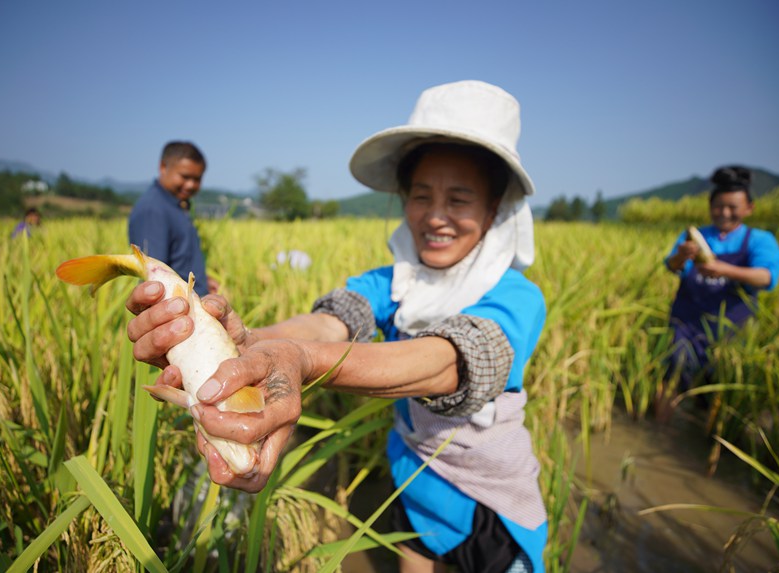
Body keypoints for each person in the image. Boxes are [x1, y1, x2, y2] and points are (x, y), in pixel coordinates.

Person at [125, 81, 547, 573]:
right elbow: (330, 323)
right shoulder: (392, 283)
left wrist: (300, 360)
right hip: (415, 483)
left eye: (458, 200)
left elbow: (446, 362)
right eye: (420, 196)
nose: (435, 217)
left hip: (492, 502)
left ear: (495, 209)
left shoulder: (517, 298)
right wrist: (241, 342)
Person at [659, 165, 779, 417]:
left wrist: (724, 270)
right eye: (719, 206)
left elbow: (766, 276)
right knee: (673, 373)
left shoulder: (759, 240)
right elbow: (671, 266)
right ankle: (659, 427)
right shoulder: (694, 237)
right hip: (687, 322)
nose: (725, 213)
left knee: (717, 392)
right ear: (710, 206)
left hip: (730, 330)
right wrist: (682, 256)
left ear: (749, 208)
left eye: (733, 207)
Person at [128, 141, 218, 296]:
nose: (190, 185)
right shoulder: (153, 210)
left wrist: (203, 281)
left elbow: (180, 259)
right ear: (163, 167)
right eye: (185, 176)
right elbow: (154, 276)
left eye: (197, 179)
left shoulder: (176, 206)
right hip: (179, 311)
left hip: (194, 304)